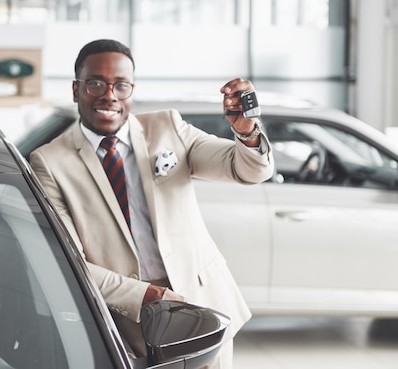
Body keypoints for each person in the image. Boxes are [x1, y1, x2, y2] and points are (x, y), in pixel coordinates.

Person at [29, 39, 274, 368]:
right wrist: (147, 296)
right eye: (96, 83)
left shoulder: (168, 127)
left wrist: (246, 131)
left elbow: (247, 169)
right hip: (131, 318)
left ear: (132, 89)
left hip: (202, 304)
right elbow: (69, 262)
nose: (109, 95)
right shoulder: (50, 161)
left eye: (121, 85)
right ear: (76, 90)